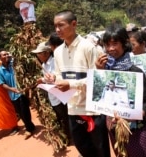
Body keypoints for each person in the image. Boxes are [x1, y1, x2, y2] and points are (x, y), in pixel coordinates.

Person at [45, 10, 110, 157]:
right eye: (55, 26)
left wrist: (71, 85)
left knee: (100, 150)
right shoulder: (58, 52)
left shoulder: (89, 47)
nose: (57, 30)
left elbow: (98, 79)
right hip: (73, 109)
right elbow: (59, 75)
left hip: (93, 110)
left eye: (61, 25)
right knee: (83, 148)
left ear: (74, 24)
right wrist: (53, 79)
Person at [95, 23, 146, 157]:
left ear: (124, 43)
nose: (110, 49)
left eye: (115, 44)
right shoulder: (104, 70)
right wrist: (100, 73)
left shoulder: (135, 72)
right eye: (107, 44)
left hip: (136, 129)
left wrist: (130, 116)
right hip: (114, 126)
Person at [32, 41, 71, 143]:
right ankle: (67, 135)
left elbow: (56, 78)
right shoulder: (44, 65)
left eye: (39, 53)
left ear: (46, 53)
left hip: (60, 95)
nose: (38, 56)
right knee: (61, 117)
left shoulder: (54, 62)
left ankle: (71, 137)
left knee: (66, 117)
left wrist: (43, 80)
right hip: (53, 95)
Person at [0, 49, 36, 140]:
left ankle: (29, 129)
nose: (6, 56)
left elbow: (21, 60)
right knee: (20, 113)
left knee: (25, 111)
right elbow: (2, 84)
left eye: (7, 54)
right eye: (4, 55)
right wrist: (11, 89)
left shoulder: (14, 64)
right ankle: (30, 125)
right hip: (13, 95)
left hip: (21, 92)